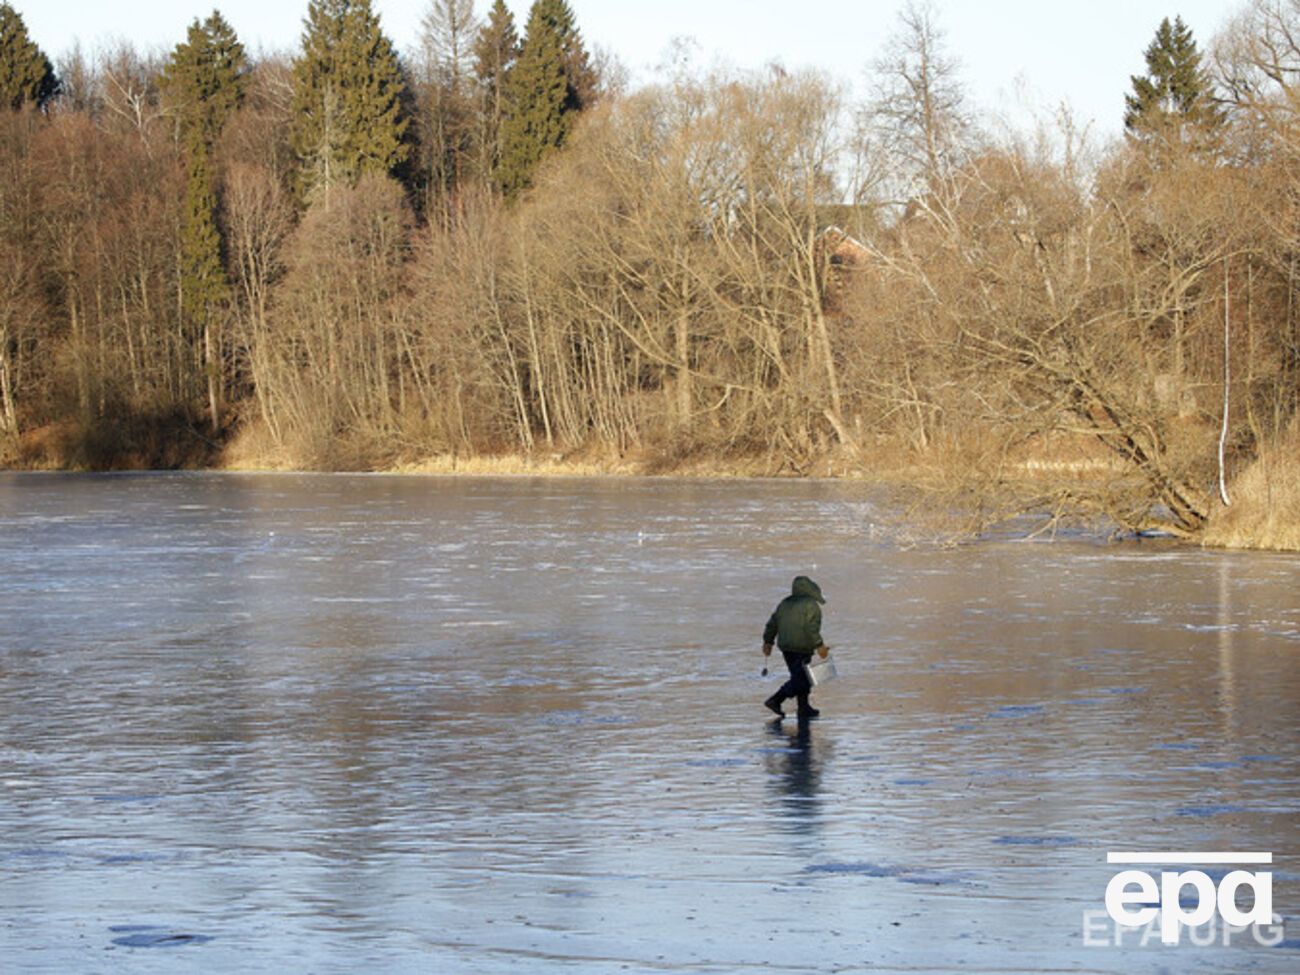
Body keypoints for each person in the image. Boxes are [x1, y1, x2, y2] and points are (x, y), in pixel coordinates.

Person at [761, 575, 829, 719]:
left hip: (786, 648)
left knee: (799, 676)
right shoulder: (811, 605)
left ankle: (804, 707)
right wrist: (819, 645)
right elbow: (812, 628)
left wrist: (768, 641)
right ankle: (776, 699)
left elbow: (772, 623)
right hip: (802, 646)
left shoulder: (784, 603)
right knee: (802, 679)